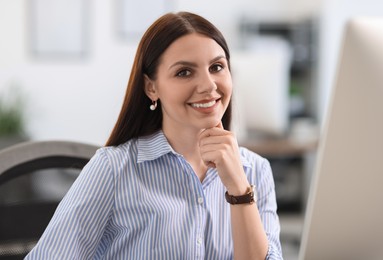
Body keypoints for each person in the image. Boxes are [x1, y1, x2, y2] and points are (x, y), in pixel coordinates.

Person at [26, 11, 283, 259]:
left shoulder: (256, 171)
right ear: (151, 87)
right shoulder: (113, 169)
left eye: (217, 67)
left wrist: (239, 188)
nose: (208, 85)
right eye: (184, 72)